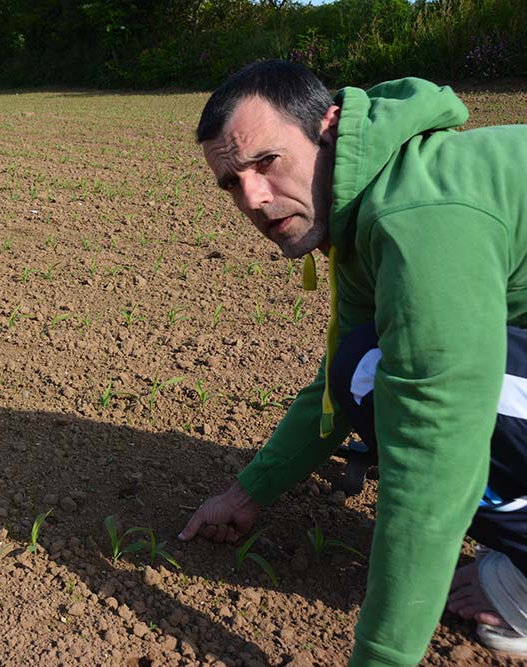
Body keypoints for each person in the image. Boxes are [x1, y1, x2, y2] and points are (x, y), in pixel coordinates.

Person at [176, 59, 527, 666]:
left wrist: (381, 658)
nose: (254, 198)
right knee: (363, 365)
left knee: (426, 399)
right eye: (231, 182)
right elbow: (342, 378)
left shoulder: (418, 215)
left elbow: (435, 446)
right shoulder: (370, 194)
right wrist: (249, 492)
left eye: (266, 162)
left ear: (330, 127)